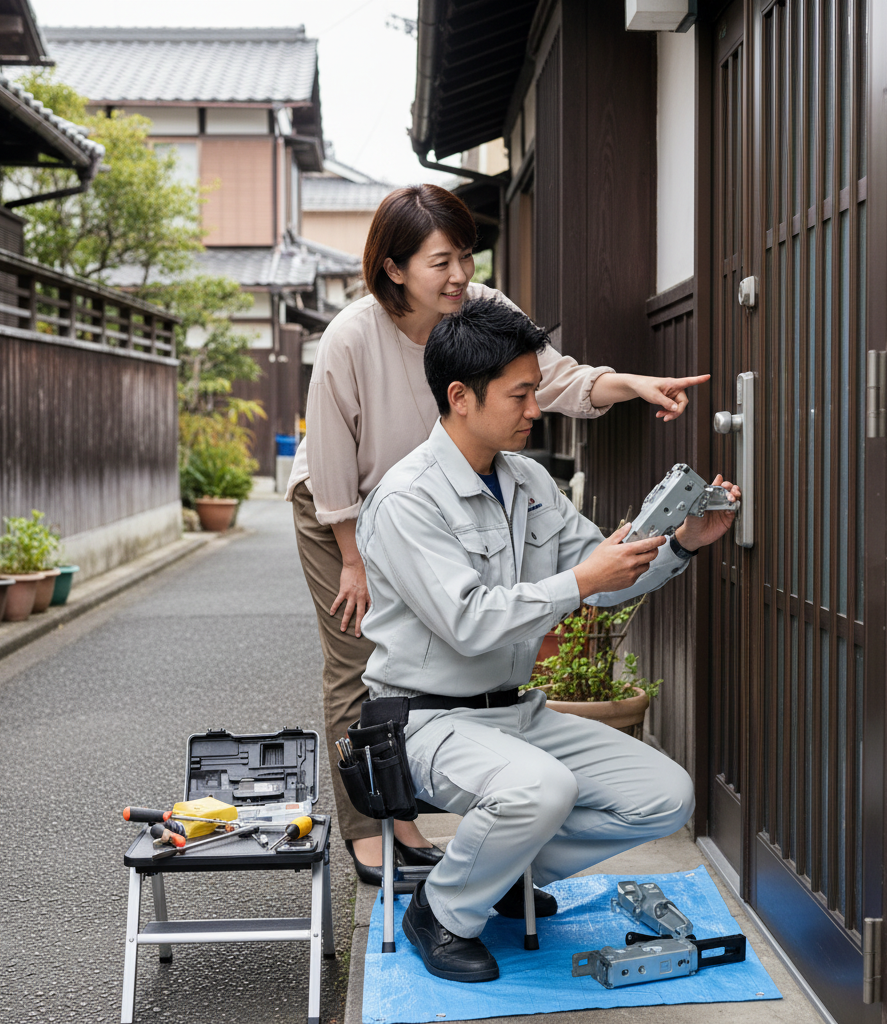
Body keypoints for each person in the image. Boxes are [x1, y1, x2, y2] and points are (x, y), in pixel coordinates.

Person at [286, 184, 711, 883]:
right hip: (346, 506)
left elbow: (552, 380)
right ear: (394, 269)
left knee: (469, 646)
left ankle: (493, 858)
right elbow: (332, 455)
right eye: (440, 261)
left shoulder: (484, 313)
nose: (459, 276)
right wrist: (354, 559)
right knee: (357, 660)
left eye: (466, 258)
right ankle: (376, 825)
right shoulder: (352, 334)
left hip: (451, 493)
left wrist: (628, 383)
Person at [354, 298, 740, 982]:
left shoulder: (527, 481)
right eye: (521, 394)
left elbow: (603, 580)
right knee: (541, 786)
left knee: (666, 793)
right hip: (426, 720)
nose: (536, 409)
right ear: (460, 397)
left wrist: (681, 543)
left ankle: (494, 874)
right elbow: (469, 622)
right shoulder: (406, 500)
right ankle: (439, 912)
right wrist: (578, 582)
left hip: (516, 713)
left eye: (536, 391)